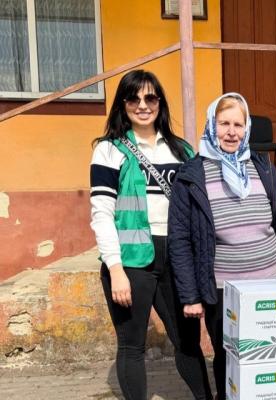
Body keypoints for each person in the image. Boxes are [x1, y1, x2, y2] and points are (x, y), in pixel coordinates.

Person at [168, 92, 276, 399]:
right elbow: (180, 240)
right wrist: (190, 296)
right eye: (223, 124)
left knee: (271, 357)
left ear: (247, 128)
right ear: (211, 126)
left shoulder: (263, 168)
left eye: (238, 125)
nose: (231, 132)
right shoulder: (191, 175)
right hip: (223, 290)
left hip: (272, 282)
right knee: (228, 357)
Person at [90, 70, 212, 400]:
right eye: (133, 98)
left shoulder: (182, 150)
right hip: (131, 260)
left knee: (187, 342)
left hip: (177, 257)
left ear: (160, 102)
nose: (142, 105)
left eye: (150, 97)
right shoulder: (109, 150)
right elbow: (102, 214)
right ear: (122, 104)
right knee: (132, 346)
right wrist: (115, 269)